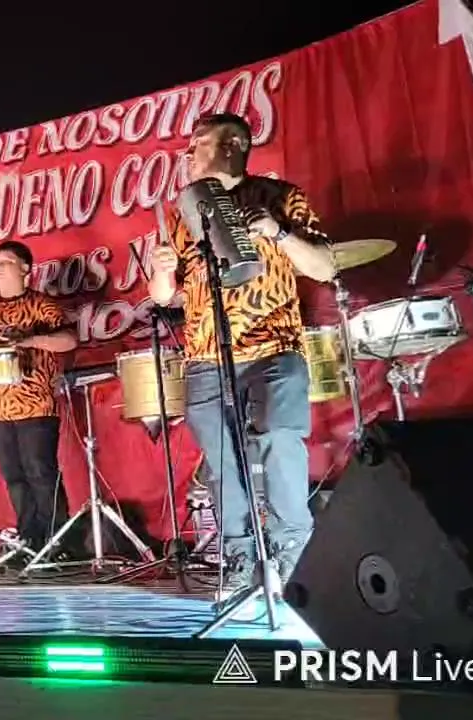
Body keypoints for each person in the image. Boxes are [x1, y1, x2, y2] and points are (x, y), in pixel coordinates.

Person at [147, 113, 336, 596]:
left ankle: (292, 554)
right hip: (207, 355)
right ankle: (239, 559)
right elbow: (164, 296)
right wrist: (162, 269)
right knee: (221, 459)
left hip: (274, 346)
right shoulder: (184, 211)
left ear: (231, 146)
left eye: (199, 143)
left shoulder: (280, 196)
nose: (189, 154)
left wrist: (279, 233)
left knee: (279, 439)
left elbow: (325, 267)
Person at [0, 240, 80, 559]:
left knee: (40, 472)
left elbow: (68, 340)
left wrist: (29, 339)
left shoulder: (41, 305)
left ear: (25, 269)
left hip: (36, 403)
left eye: (5, 262)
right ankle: (29, 542)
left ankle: (58, 542)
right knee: (14, 478)